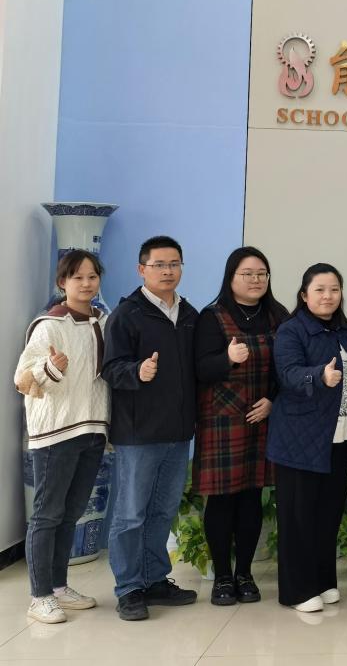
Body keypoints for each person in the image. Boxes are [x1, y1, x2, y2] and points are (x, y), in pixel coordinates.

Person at [102, 235, 200, 621]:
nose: (168, 271)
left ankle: (155, 579)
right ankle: (129, 588)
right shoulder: (127, 314)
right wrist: (137, 371)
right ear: (141, 269)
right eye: (159, 265)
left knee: (163, 510)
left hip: (178, 431)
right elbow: (111, 369)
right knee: (131, 514)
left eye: (174, 264)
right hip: (138, 433)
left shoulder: (189, 314)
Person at [14, 250, 110, 624]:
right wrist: (50, 369)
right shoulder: (49, 325)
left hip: (92, 429)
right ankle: (39, 597)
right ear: (62, 283)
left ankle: (57, 587)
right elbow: (23, 378)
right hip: (57, 433)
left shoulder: (103, 321)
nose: (86, 283)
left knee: (70, 514)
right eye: (77, 277)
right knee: (47, 514)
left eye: (92, 276)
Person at [193, 246, 289, 607]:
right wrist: (227, 359)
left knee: (252, 497)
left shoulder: (278, 316)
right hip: (222, 421)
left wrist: (273, 401)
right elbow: (201, 369)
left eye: (261, 273)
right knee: (222, 500)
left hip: (262, 417)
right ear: (231, 277)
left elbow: (289, 366)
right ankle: (222, 576)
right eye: (247, 274)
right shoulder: (212, 317)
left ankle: (245, 573)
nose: (255, 280)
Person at [268, 263, 347, 613]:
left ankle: (323, 582)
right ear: (304, 295)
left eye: (334, 289)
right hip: (300, 438)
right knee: (298, 518)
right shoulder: (291, 330)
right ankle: (297, 591)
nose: (328, 296)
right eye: (320, 290)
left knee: (328, 514)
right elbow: (288, 373)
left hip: (340, 437)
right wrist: (318, 376)